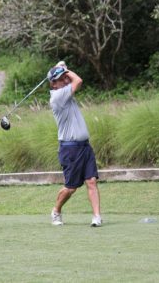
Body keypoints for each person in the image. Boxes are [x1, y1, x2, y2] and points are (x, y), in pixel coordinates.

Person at [47, 62, 102, 227]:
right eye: (60, 79)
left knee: (91, 181)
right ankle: (56, 211)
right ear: (53, 84)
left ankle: (97, 217)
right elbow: (78, 80)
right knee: (71, 188)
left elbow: (71, 80)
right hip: (70, 149)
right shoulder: (57, 97)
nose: (65, 80)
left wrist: (61, 68)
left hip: (84, 146)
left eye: (64, 78)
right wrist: (65, 69)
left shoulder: (64, 92)